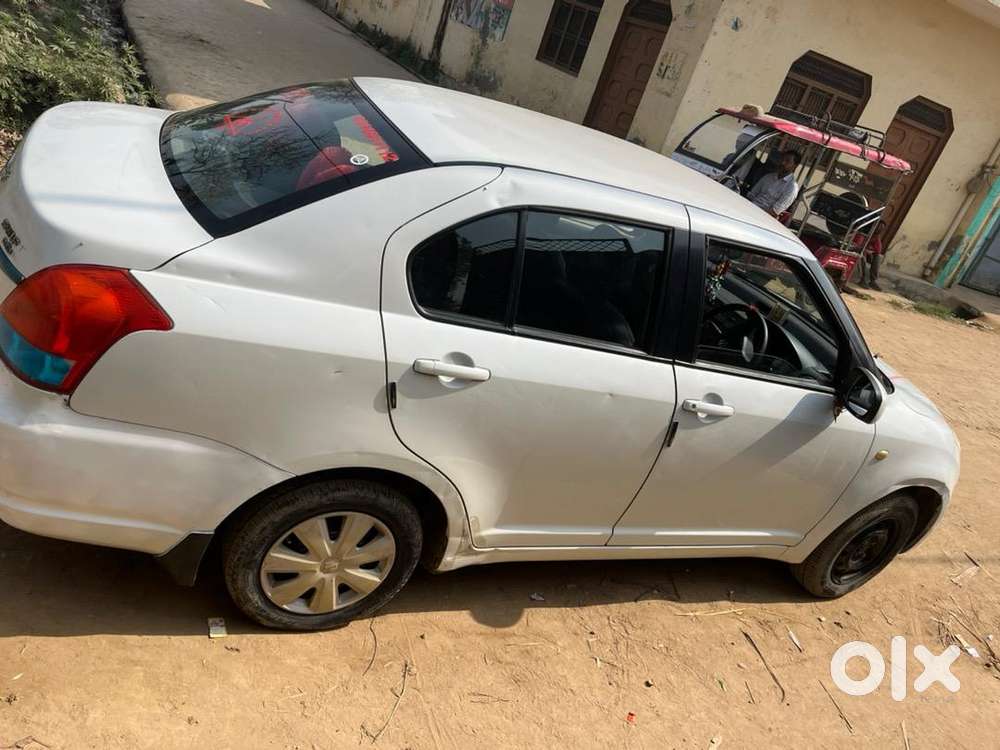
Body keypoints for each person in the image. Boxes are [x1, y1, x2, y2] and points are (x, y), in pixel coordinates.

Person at [747, 150, 801, 218]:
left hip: (762, 217)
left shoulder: (792, 187)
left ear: (795, 166)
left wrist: (754, 213)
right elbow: (751, 195)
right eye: (782, 159)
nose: (783, 163)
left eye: (787, 161)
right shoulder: (768, 177)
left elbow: (774, 211)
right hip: (750, 207)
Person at [858, 220, 887, 290]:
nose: (879, 229)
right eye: (879, 227)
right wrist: (865, 250)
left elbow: (878, 250)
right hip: (857, 250)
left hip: (867, 253)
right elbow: (857, 245)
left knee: (877, 257)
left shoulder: (876, 236)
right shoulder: (864, 232)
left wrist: (870, 251)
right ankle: (862, 279)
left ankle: (872, 281)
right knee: (862, 255)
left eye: (881, 228)